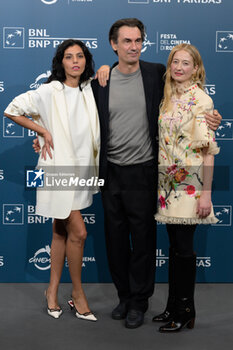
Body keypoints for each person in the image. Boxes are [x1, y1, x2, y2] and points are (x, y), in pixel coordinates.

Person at [91, 19, 221, 329]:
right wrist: (43, 137)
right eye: (126, 41)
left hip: (147, 173)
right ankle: (124, 297)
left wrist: (213, 117)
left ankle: (140, 301)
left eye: (138, 41)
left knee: (145, 242)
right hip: (111, 173)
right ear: (114, 45)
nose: (133, 46)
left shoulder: (155, 74)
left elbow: (194, 93)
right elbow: (77, 118)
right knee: (116, 241)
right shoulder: (100, 82)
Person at [4, 39, 100, 321]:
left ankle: (51, 291)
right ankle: (78, 294)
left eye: (80, 56)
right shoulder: (48, 91)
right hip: (56, 169)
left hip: (82, 171)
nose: (75, 62)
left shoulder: (90, 89)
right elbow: (12, 109)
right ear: (61, 62)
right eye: (69, 57)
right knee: (79, 232)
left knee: (60, 230)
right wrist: (42, 131)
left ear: (85, 61)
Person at [153, 43, 219, 332]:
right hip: (167, 185)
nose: (179, 68)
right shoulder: (167, 97)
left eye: (186, 63)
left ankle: (186, 311)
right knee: (174, 248)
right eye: (175, 62)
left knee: (184, 250)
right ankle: (172, 307)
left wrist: (206, 195)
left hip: (190, 186)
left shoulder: (201, 101)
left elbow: (207, 152)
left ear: (196, 68)